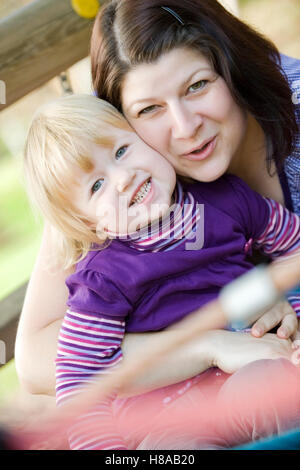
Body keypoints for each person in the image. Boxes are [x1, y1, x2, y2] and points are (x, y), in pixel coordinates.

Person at [15, 0, 299, 408]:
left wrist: (282, 296)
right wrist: (206, 344)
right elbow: (40, 358)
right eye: (149, 110)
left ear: (230, 66)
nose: (185, 128)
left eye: (198, 85)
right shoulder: (111, 156)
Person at [22, 93, 300, 449]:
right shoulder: (102, 280)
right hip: (170, 423)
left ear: (145, 139)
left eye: (121, 151)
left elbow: (293, 248)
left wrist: (291, 310)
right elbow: (80, 383)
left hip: (249, 375)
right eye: (96, 186)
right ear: (91, 225)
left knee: (276, 382)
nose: (122, 178)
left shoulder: (227, 200)